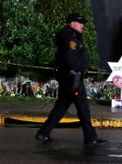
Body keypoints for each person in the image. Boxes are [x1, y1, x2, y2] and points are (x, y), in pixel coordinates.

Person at [35, 13, 107, 147]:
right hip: (73, 78)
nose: (83, 25)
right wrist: (78, 70)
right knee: (83, 108)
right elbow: (70, 58)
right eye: (80, 23)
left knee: (61, 107)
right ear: (72, 23)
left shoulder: (69, 35)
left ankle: (43, 133)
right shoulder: (70, 37)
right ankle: (90, 138)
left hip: (68, 78)